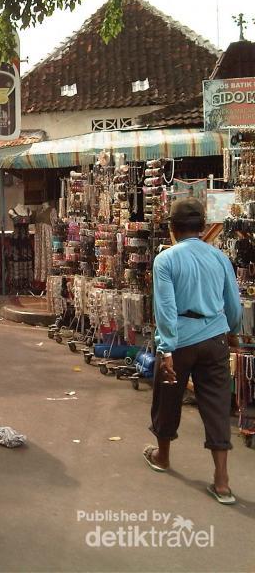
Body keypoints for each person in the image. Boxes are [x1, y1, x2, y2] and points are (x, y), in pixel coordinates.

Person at [143, 197, 242, 505]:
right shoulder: (219, 258)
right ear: (202, 227)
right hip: (215, 338)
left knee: (168, 398)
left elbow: (166, 309)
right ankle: (222, 481)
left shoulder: (166, 260)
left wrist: (167, 349)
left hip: (180, 342)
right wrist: (233, 333)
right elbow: (233, 304)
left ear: (172, 228)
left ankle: (162, 456)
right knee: (216, 404)